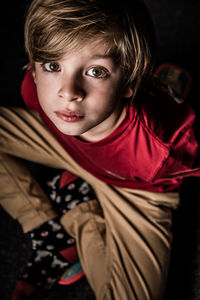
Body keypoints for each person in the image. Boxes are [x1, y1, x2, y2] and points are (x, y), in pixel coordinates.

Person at [0, 0, 200, 299]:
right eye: (53, 65)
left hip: (137, 188)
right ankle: (48, 231)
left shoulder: (164, 148)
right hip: (67, 147)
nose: (67, 92)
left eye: (96, 71)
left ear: (129, 83)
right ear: (33, 65)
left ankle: (82, 212)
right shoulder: (35, 90)